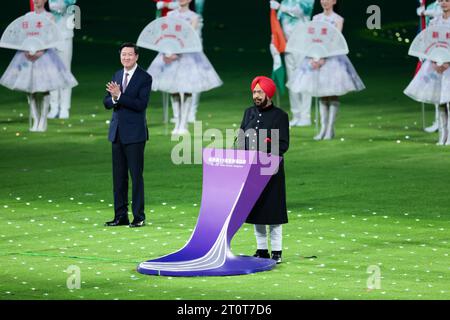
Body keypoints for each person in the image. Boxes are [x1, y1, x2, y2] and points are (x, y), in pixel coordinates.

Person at [287, 0, 365, 140]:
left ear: (334, 1)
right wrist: (313, 56)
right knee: (322, 94)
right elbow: (312, 39)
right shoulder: (316, 18)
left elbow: (335, 40)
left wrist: (324, 57)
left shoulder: (337, 19)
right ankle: (323, 128)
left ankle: (330, 128)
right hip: (316, 58)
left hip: (332, 60)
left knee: (332, 93)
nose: (325, 2)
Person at [0, 0, 77, 132]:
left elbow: (70, 15)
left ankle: (63, 107)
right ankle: (51, 109)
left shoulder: (63, 7)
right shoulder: (33, 14)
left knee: (60, 74)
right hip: (35, 48)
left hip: (59, 40)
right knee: (37, 85)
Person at [147, 0, 222, 135]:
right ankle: (177, 122)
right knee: (173, 88)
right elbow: (166, 35)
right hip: (171, 54)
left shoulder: (194, 17)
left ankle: (184, 124)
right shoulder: (170, 15)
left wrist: (177, 52)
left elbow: (189, 36)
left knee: (187, 89)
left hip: (187, 56)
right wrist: (167, 52)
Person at [237, 76, 290, 264]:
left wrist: (259, 146)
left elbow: (282, 145)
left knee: (273, 211)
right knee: (257, 210)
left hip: (272, 171)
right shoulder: (248, 112)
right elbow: (241, 138)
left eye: (259, 92)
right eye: (254, 92)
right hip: (251, 170)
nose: (256, 95)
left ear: (268, 93)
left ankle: (277, 251)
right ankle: (261, 250)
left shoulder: (280, 116)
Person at [103, 43, 153, 227]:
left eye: (129, 55)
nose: (126, 58)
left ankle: (139, 217)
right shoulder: (117, 75)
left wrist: (120, 96)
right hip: (116, 133)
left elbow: (141, 104)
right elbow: (106, 101)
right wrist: (115, 97)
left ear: (136, 57)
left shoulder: (144, 77)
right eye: (123, 55)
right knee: (119, 177)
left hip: (135, 134)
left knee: (136, 176)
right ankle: (120, 216)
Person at [405, 0, 450, 146]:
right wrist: (435, 61)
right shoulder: (434, 21)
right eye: (442, 1)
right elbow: (431, 43)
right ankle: (442, 137)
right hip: (437, 65)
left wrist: (447, 62)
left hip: (449, 66)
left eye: (447, 0)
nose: (444, 3)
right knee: (440, 102)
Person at [270, 0, 315, 127]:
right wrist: (274, 39)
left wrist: (280, 7)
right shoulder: (286, 1)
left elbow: (301, 12)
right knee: (292, 80)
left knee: (304, 80)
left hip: (302, 45)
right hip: (288, 45)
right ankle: (296, 115)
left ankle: (305, 116)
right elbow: (278, 22)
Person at [47, 0, 77, 119]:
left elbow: (73, 11)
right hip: (51, 36)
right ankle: (54, 106)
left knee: (65, 71)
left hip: (65, 35)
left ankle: (64, 107)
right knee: (52, 72)